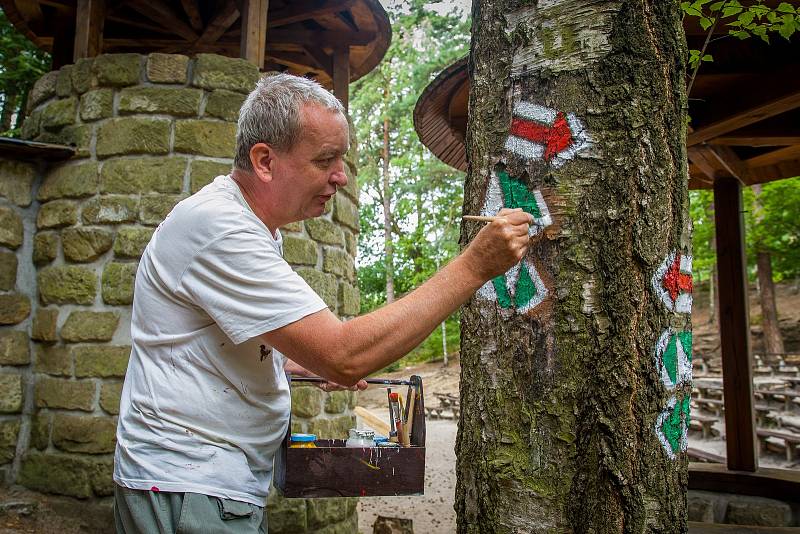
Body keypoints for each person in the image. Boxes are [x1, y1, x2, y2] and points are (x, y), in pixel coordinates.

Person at [112, 73, 532, 533]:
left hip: (204, 483)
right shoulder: (220, 229)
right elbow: (345, 355)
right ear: (265, 161)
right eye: (325, 159)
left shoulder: (249, 228)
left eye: (341, 158)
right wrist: (474, 267)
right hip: (188, 485)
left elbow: (216, 348)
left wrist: (297, 367)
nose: (341, 176)